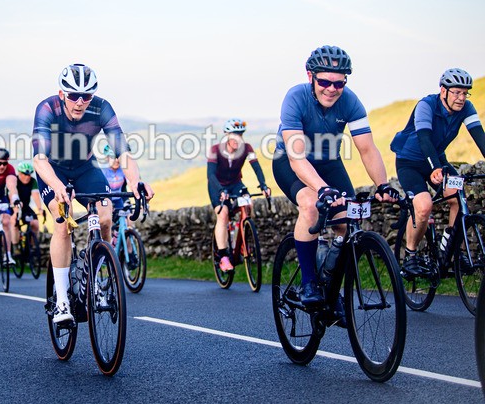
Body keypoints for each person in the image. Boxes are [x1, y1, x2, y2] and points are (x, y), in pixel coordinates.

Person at [272, 45, 398, 306]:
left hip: (329, 162)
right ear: (310, 77)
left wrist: (383, 184)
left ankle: (331, 288)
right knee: (310, 206)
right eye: (324, 81)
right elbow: (297, 157)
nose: (331, 89)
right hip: (291, 161)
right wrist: (321, 189)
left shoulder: (350, 101)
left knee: (346, 221)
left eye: (338, 83)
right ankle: (308, 283)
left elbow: (367, 148)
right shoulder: (295, 98)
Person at [32, 63, 154, 324]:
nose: (80, 102)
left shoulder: (101, 107)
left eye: (86, 96)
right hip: (52, 170)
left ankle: (99, 282)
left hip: (86, 168)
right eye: (74, 95)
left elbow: (122, 151)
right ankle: (63, 302)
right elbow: (39, 159)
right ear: (61, 93)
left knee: (107, 217)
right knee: (62, 223)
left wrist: (136, 182)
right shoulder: (47, 108)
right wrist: (56, 186)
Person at [391, 68, 485, 275]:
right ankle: (411, 256)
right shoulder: (426, 105)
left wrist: (437, 166)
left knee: (458, 199)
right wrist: (435, 168)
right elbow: (424, 138)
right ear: (443, 91)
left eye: (465, 93)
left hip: (437, 160)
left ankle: (451, 251)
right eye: (456, 92)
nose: (461, 98)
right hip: (410, 162)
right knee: (423, 207)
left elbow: (480, 137)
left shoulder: (466, 108)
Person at [207, 118, 271, 272]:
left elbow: (256, 167)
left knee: (248, 204)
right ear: (227, 135)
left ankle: (241, 238)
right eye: (234, 134)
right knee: (223, 214)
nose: (238, 138)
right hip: (217, 185)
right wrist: (221, 191)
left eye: (240, 134)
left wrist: (263, 185)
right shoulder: (215, 150)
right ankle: (223, 257)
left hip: (236, 184)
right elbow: (211, 175)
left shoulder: (247, 148)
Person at [14, 161, 46, 250]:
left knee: (35, 223)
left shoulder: (32, 181)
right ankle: (15, 246)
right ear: (19, 173)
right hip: (14, 206)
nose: (28, 177)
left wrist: (40, 208)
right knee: (14, 223)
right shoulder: (14, 181)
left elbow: (35, 195)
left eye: (29, 174)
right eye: (25, 174)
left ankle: (31, 247)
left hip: (26, 207)